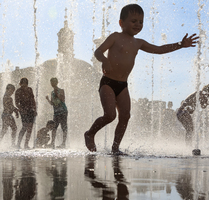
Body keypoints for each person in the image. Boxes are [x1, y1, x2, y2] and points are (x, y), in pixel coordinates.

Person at [84, 4, 199, 155]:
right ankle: (90, 133)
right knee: (110, 115)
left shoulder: (139, 43)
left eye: (141, 22)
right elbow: (98, 51)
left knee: (125, 116)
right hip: (108, 83)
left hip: (122, 85)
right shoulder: (115, 37)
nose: (138, 24)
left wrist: (180, 45)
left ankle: (115, 148)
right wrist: (104, 61)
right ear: (121, 23)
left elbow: (159, 49)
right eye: (133, 21)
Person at [45, 77, 68, 148]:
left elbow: (63, 100)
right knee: (54, 127)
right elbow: (52, 103)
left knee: (63, 127)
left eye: (54, 82)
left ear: (57, 82)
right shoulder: (52, 92)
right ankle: (52, 143)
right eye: (51, 82)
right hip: (56, 113)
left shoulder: (61, 90)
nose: (53, 83)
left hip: (63, 111)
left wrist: (57, 93)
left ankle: (63, 143)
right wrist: (48, 99)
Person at [15, 78, 37, 149]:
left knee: (30, 128)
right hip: (23, 110)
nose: (24, 87)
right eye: (23, 86)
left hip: (31, 110)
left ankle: (26, 144)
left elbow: (33, 100)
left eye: (25, 86)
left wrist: (35, 109)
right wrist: (21, 109)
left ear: (27, 85)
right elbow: (16, 103)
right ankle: (18, 144)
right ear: (20, 84)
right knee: (24, 127)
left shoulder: (30, 89)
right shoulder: (18, 91)